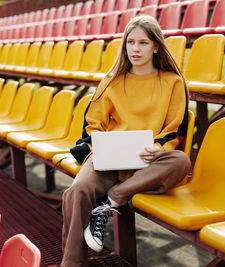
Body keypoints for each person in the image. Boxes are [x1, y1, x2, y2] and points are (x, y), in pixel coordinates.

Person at [61, 15, 191, 266]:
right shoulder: (111, 81)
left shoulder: (173, 82)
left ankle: (113, 198)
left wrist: (158, 147)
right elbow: (92, 124)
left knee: (181, 160)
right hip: (110, 157)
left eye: (143, 43)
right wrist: (102, 144)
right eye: (130, 42)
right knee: (76, 192)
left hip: (148, 162)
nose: (135, 49)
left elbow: (176, 129)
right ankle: (72, 263)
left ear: (156, 46)